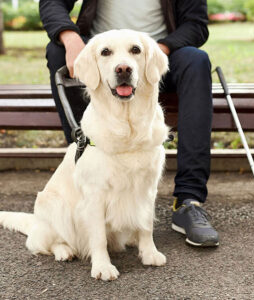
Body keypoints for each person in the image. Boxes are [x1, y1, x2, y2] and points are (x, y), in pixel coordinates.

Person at [39, 0, 219, 247]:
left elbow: (195, 25)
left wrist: (158, 50)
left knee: (197, 61)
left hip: (156, 55)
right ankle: (88, 176)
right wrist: (70, 38)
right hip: (101, 56)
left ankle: (189, 201)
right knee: (57, 49)